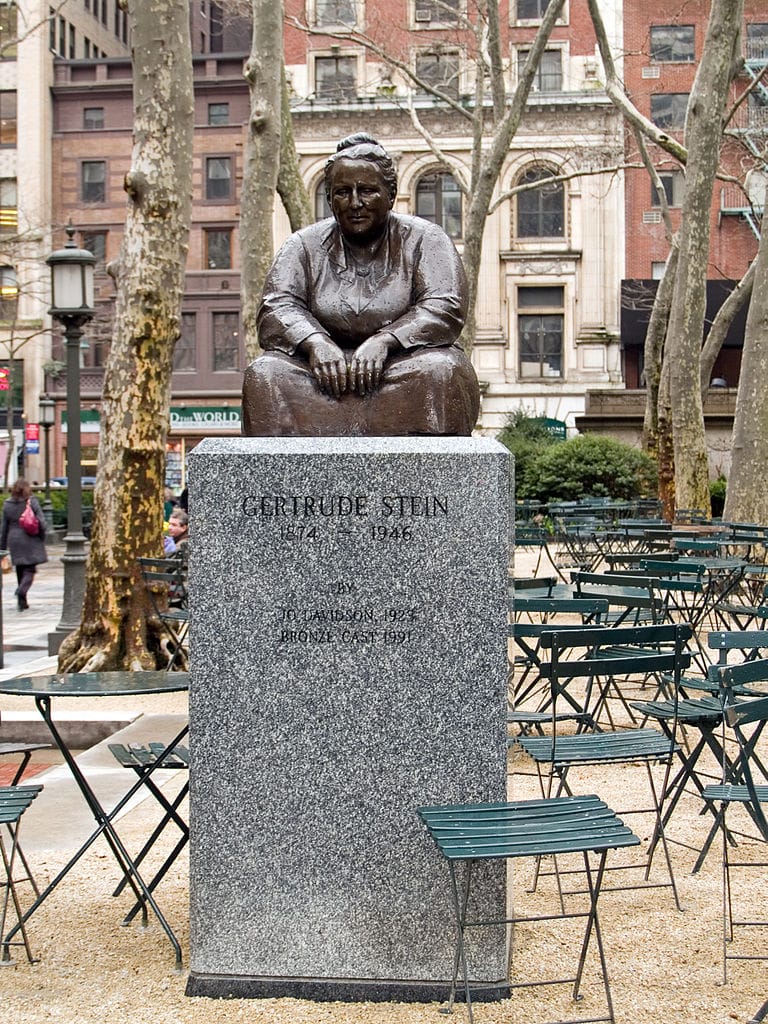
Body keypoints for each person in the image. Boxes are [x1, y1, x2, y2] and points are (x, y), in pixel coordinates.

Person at [242, 132, 480, 437]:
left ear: (390, 195)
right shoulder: (302, 245)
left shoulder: (427, 239)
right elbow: (276, 307)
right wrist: (315, 343)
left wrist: (386, 341)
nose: (355, 203)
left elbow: (445, 307)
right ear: (329, 198)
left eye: (367, 190)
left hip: (402, 369)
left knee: (443, 372)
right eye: (342, 192)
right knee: (265, 376)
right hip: (322, 377)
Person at [0, 478, 47, 611]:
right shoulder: (32, 502)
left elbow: (4, 528)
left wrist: (2, 548)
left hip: (14, 539)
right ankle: (21, 591)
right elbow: (41, 522)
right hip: (30, 538)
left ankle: (22, 602)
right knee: (30, 570)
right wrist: (42, 536)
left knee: (20, 569)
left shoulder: (7, 504)